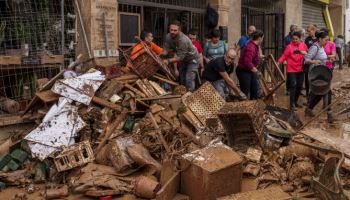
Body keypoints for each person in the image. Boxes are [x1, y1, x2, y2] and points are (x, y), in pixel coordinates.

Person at [304, 31, 334, 123]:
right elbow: (306, 60)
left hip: (321, 73)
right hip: (315, 74)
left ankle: (309, 108)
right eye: (325, 40)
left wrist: (328, 58)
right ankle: (329, 114)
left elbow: (322, 58)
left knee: (320, 93)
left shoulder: (321, 47)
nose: (327, 42)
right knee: (326, 91)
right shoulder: (314, 47)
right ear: (320, 39)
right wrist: (314, 61)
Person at [162, 20, 200, 92]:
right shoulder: (168, 36)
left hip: (193, 59)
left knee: (189, 78)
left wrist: (168, 61)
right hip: (184, 59)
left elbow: (179, 57)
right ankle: (182, 94)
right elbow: (166, 50)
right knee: (181, 78)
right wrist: (160, 55)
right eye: (171, 30)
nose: (172, 32)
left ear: (179, 30)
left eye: (175, 30)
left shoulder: (183, 40)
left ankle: (190, 96)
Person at [278, 31, 308, 111]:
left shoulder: (303, 45)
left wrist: (306, 54)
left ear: (300, 38)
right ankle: (292, 105)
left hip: (301, 69)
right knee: (293, 86)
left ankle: (295, 102)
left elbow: (308, 54)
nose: (294, 40)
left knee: (299, 86)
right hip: (291, 69)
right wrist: (279, 62)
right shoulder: (289, 47)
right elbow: (284, 56)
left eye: (296, 39)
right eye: (293, 39)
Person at [236, 30, 264, 100]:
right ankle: (243, 108)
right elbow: (247, 62)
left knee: (254, 90)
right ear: (259, 38)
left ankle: (253, 108)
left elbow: (251, 57)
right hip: (244, 71)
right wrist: (256, 71)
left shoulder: (255, 46)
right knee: (245, 93)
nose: (262, 40)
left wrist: (259, 57)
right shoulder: (251, 47)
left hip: (250, 71)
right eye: (262, 38)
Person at [303, 24, 318, 98]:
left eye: (309, 31)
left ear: (314, 30)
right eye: (307, 31)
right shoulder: (307, 39)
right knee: (307, 77)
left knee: (315, 77)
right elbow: (305, 49)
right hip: (308, 61)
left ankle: (315, 92)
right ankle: (307, 93)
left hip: (315, 62)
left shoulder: (318, 39)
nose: (308, 33)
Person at [283, 24, 298, 95]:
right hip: (289, 59)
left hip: (297, 60)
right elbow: (284, 47)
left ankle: (296, 90)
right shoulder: (287, 38)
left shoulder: (298, 38)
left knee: (296, 75)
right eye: (295, 29)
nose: (296, 30)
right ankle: (288, 90)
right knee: (289, 75)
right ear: (292, 30)